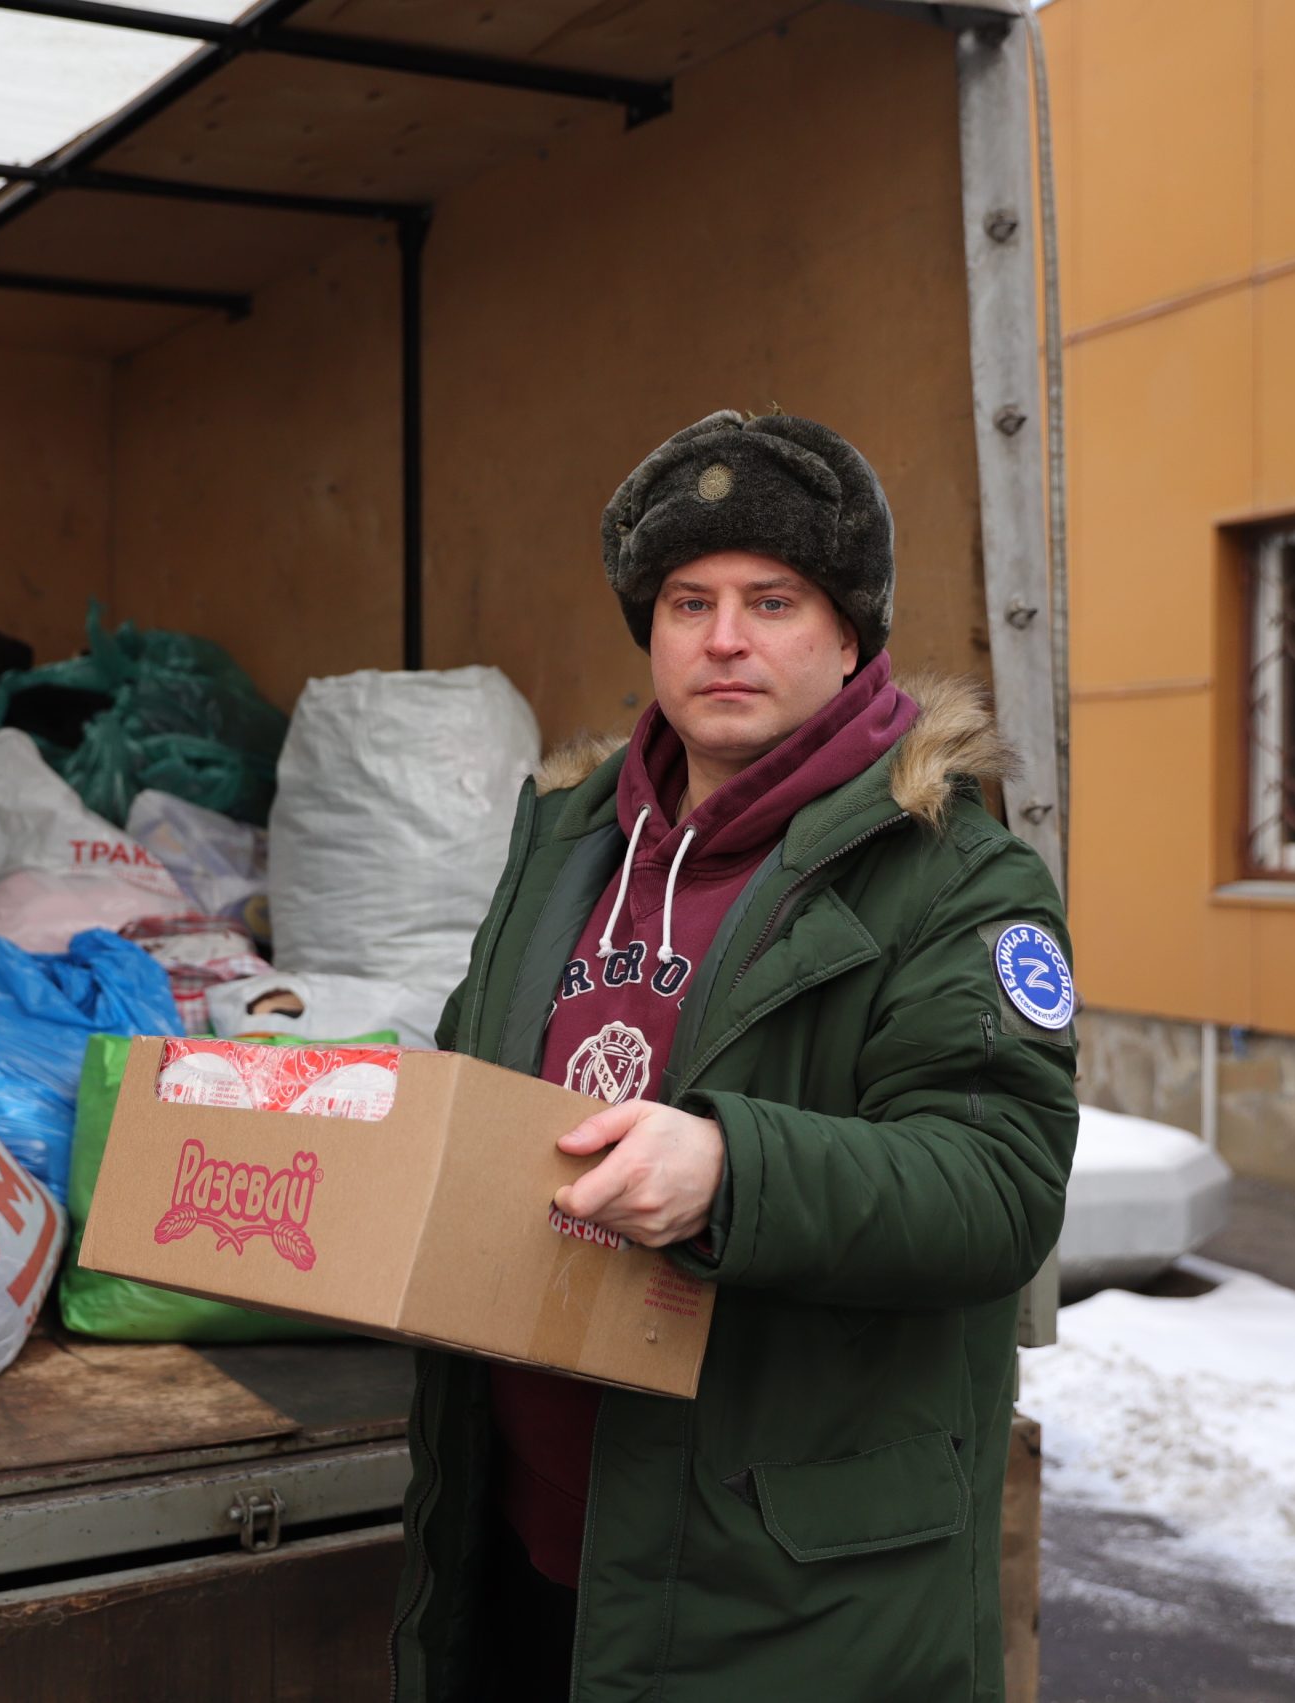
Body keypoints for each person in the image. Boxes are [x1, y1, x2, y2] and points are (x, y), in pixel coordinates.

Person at [388, 410, 1079, 1702]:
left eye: (774, 599)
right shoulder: (565, 846)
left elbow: (1000, 1189)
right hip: (537, 1543)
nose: (722, 639)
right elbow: (475, 1089)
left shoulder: (952, 876)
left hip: (781, 1593)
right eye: (687, 601)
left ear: (850, 629)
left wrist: (731, 1170)